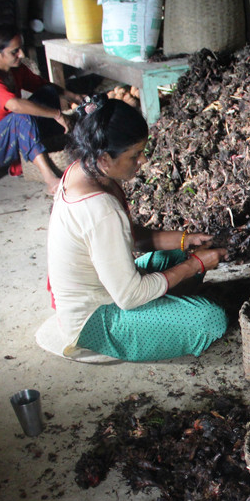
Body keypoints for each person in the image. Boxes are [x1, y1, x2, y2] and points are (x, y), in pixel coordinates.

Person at [45, 98, 230, 362]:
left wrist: (185, 240)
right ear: (104, 158)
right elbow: (129, 297)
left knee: (183, 254)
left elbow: (131, 238)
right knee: (211, 319)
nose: (142, 160)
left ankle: (168, 301)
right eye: (134, 155)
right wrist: (195, 266)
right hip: (95, 318)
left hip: (107, 287)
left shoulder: (84, 171)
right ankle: (133, 329)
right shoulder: (101, 210)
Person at [0, 22, 85, 192]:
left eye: (20, 48)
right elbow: (15, 105)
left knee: (47, 91)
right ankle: (50, 178)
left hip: (11, 135)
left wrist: (75, 96)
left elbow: (42, 85)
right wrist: (57, 114)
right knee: (21, 116)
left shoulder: (16, 69)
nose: (21, 54)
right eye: (15, 51)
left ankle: (55, 146)